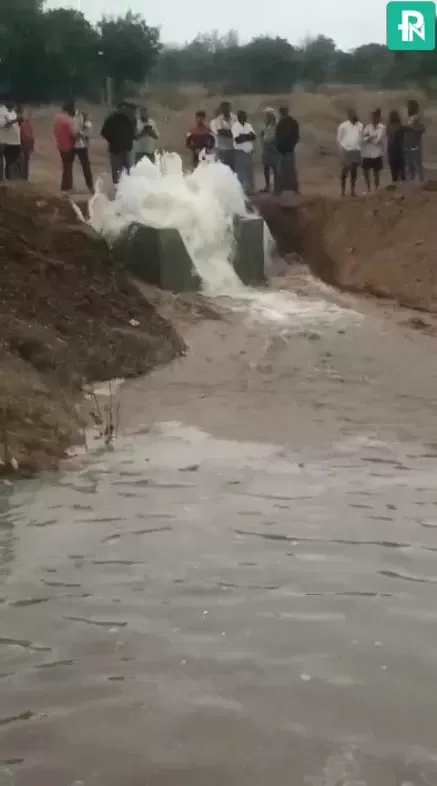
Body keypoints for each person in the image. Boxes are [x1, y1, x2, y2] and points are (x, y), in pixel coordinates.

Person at [100, 101, 136, 184]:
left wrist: (129, 142)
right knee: (116, 170)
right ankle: (116, 187)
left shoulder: (128, 119)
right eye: (122, 108)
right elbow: (104, 132)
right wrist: (113, 140)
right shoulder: (112, 118)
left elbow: (132, 132)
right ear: (118, 108)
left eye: (125, 108)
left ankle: (128, 186)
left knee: (128, 170)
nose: (124, 110)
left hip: (126, 149)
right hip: (115, 150)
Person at [336, 109, 363, 197]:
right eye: (351, 114)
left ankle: (352, 191)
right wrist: (341, 149)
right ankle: (343, 191)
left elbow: (361, 138)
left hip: (356, 150)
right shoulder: (343, 126)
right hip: (346, 150)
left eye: (354, 114)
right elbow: (339, 138)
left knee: (354, 171)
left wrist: (360, 148)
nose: (353, 116)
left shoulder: (360, 125)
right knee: (345, 170)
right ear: (349, 115)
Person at [53, 100, 77, 192]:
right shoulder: (69, 120)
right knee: (68, 167)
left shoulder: (57, 118)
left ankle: (65, 185)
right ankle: (67, 187)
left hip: (60, 144)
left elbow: (55, 131)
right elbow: (73, 134)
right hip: (68, 145)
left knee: (65, 166)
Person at [275, 105, 300, 194]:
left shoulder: (280, 123)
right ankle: (293, 189)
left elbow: (277, 137)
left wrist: (279, 147)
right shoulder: (293, 122)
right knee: (290, 169)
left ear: (280, 113)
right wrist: (292, 145)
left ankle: (282, 189)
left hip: (283, 150)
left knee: (282, 170)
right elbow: (296, 137)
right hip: (289, 149)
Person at [232, 109, 256, 194]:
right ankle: (242, 191)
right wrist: (247, 136)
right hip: (240, 152)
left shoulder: (248, 125)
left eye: (245, 116)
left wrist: (243, 136)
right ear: (239, 117)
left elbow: (253, 137)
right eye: (242, 116)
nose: (244, 117)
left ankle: (250, 190)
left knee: (249, 171)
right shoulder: (235, 126)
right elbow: (238, 140)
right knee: (241, 171)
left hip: (248, 152)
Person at [361, 108, 385, 192]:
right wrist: (372, 137)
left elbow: (378, 140)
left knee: (376, 173)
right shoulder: (368, 127)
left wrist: (369, 138)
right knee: (366, 171)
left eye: (375, 117)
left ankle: (376, 189)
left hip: (377, 152)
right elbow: (363, 139)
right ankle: (368, 189)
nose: (374, 119)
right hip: (368, 153)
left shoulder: (382, 127)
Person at [210, 101, 237, 170]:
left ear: (229, 108)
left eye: (227, 107)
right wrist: (231, 132)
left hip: (233, 148)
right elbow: (220, 132)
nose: (225, 109)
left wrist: (227, 132)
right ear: (221, 109)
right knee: (223, 168)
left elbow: (237, 131)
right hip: (222, 148)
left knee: (233, 168)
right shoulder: (218, 119)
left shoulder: (235, 118)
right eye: (223, 108)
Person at [404, 99, 425, 183]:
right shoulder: (413, 118)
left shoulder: (414, 118)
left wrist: (406, 128)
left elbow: (415, 128)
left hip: (413, 144)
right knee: (412, 164)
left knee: (415, 163)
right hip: (412, 144)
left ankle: (419, 181)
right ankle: (417, 181)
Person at [0, 98, 21, 181]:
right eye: (11, 101)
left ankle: (10, 179)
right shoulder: (1, 111)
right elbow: (3, 124)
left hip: (14, 142)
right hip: (3, 141)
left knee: (11, 161)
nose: (13, 103)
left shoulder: (13, 112)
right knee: (2, 162)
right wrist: (15, 120)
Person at [73, 109, 94, 193]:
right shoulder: (70, 117)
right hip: (73, 145)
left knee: (86, 167)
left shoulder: (83, 116)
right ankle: (90, 187)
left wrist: (81, 133)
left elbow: (88, 129)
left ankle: (90, 186)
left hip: (81, 146)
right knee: (69, 167)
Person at [261, 107, 278, 193]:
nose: (266, 117)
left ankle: (276, 186)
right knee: (266, 167)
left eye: (268, 115)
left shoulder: (276, 125)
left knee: (275, 168)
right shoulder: (266, 125)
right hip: (266, 148)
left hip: (273, 147)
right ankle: (267, 186)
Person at [386, 109, 405, 184]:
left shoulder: (389, 127)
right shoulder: (400, 126)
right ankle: (402, 185)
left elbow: (388, 136)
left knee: (393, 171)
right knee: (401, 169)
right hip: (399, 149)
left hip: (391, 149)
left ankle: (395, 184)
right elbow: (402, 138)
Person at [17, 104, 34, 181]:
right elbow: (31, 135)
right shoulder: (27, 123)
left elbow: (31, 135)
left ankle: (23, 176)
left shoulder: (24, 123)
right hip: (25, 142)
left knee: (22, 160)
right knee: (24, 160)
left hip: (23, 142)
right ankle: (24, 177)